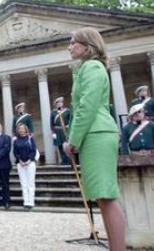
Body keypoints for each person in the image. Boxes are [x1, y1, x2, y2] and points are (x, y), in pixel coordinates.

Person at [63, 27, 126, 251]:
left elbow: (86, 107)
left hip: (96, 133)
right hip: (94, 134)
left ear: (87, 46)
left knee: (106, 196)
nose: (69, 47)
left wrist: (73, 140)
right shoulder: (86, 68)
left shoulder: (92, 67)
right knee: (102, 197)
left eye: (73, 42)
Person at [13, 123, 37, 211]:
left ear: (25, 129)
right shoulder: (16, 140)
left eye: (22, 128)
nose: (21, 130)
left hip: (30, 163)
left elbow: (33, 151)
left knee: (30, 183)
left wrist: (28, 160)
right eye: (19, 129)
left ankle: (31, 202)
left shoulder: (30, 138)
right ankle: (26, 202)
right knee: (24, 184)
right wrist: (20, 160)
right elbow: (15, 152)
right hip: (20, 164)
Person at [50, 96, 71, 165]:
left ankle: (68, 160)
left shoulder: (67, 111)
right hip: (58, 131)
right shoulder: (53, 113)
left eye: (60, 102)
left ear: (62, 103)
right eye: (57, 103)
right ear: (56, 104)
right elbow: (52, 123)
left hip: (66, 130)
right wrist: (53, 133)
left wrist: (70, 130)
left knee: (67, 146)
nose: (59, 104)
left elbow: (71, 121)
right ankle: (64, 160)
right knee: (60, 147)